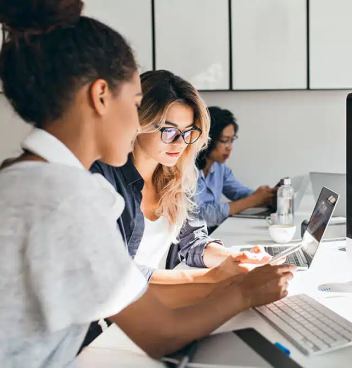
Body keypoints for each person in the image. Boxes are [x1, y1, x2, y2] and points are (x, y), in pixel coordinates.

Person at [0, 1, 294, 366]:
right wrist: (243, 293)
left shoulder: (23, 179)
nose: (140, 123)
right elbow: (160, 333)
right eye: (136, 102)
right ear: (101, 95)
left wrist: (226, 283)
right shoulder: (69, 197)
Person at [83, 70, 273, 348]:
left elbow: (194, 244)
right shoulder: (104, 178)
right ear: (140, 123)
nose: (179, 143)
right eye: (168, 130)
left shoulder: (178, 176)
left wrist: (234, 257)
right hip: (114, 320)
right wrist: (209, 278)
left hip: (164, 305)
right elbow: (119, 275)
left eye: (188, 132)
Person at [195, 106, 275, 228]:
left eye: (232, 140)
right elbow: (201, 216)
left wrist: (267, 196)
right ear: (207, 140)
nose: (230, 147)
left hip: (210, 232)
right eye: (224, 140)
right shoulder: (186, 170)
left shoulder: (219, 167)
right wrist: (254, 200)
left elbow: (238, 192)